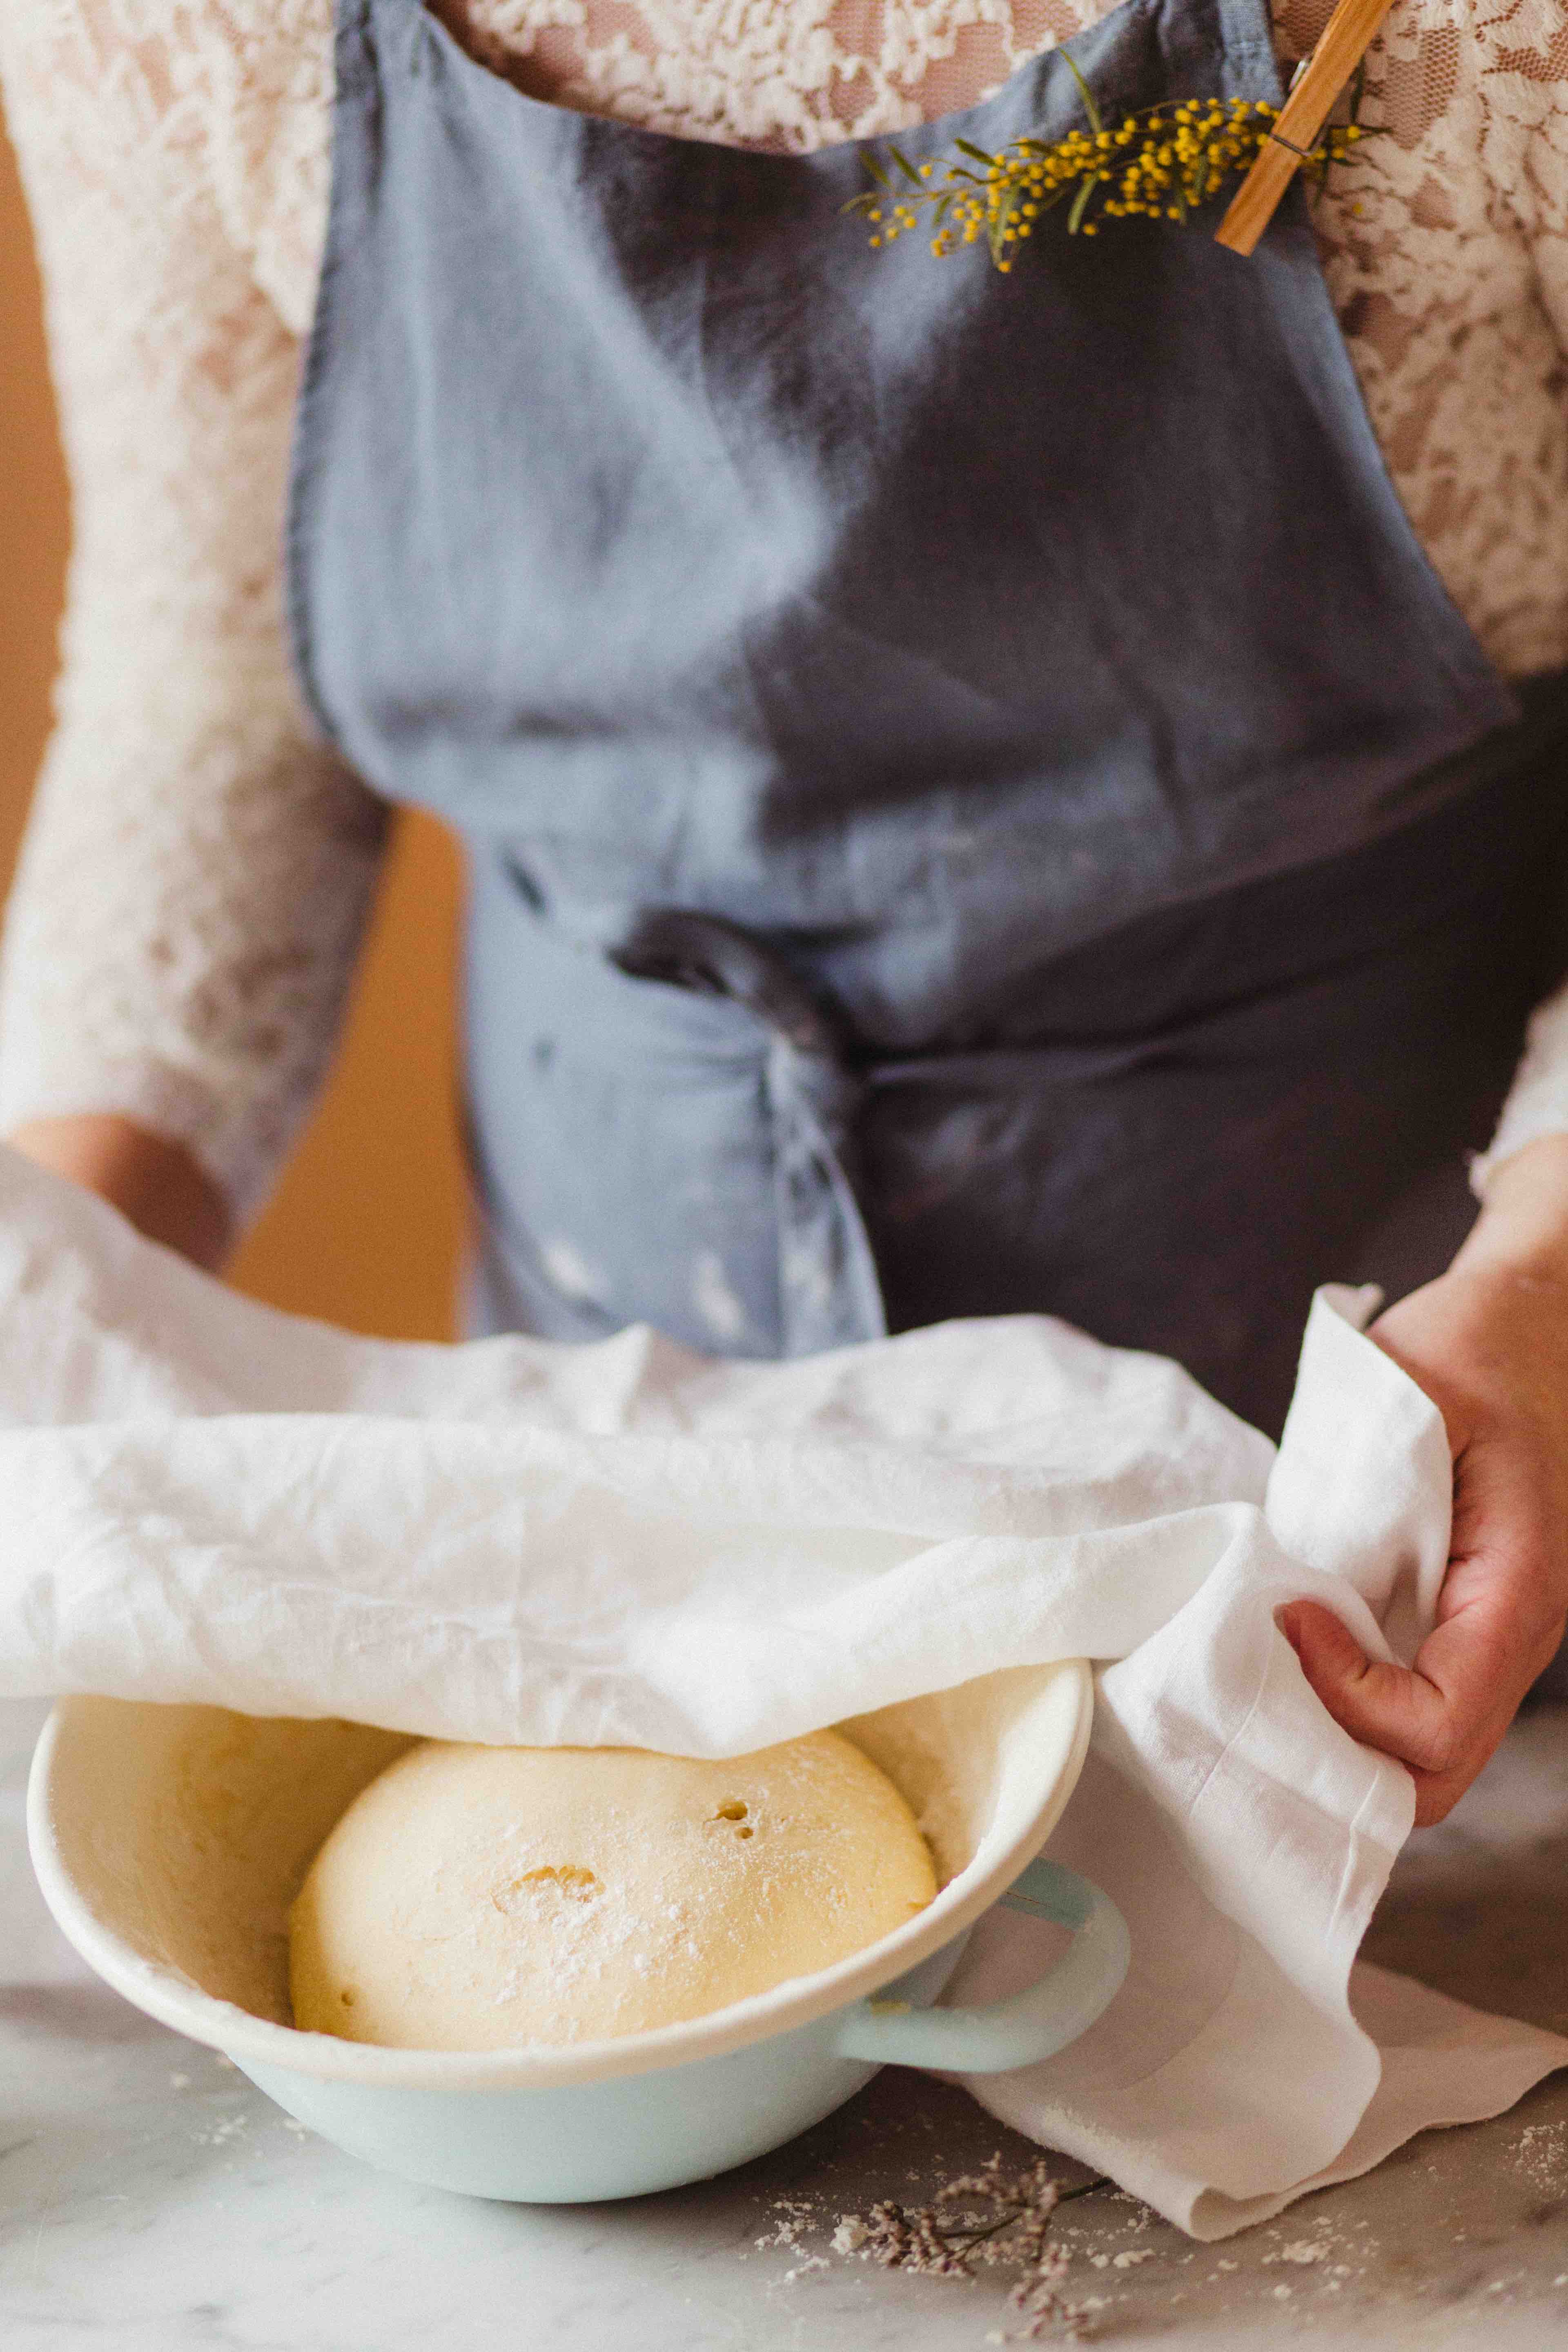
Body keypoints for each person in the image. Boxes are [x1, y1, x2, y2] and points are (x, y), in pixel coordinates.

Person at [1, 0, 1567, 1831]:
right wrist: (59, 1290)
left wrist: (1539, 1290)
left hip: (1396, 1456)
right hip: (609, 1501)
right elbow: (213, 695)